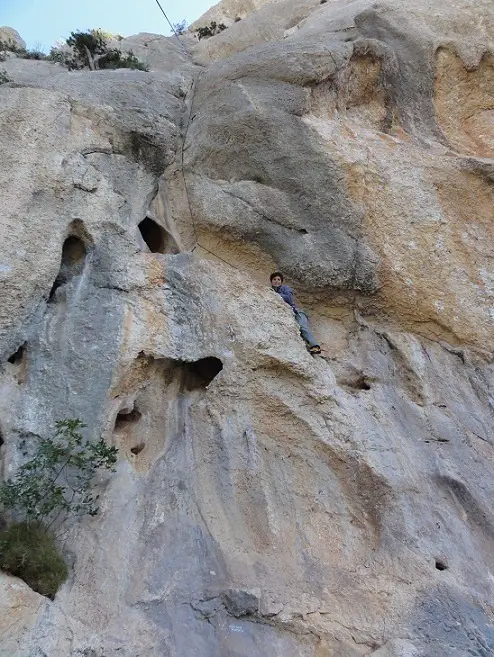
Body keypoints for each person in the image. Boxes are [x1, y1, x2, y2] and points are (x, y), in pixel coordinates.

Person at [270, 272, 321, 355]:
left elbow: (289, 299)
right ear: (271, 281)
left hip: (297, 313)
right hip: (288, 314)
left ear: (281, 281)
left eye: (278, 279)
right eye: (274, 279)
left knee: (302, 326)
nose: (276, 281)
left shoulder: (286, 288)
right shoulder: (270, 291)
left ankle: (315, 346)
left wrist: (276, 294)